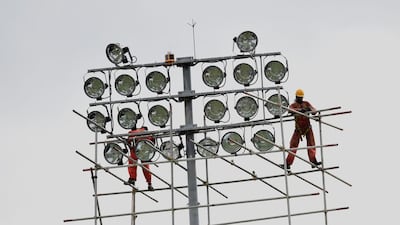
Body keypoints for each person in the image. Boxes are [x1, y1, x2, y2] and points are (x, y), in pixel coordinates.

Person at [281, 89, 321, 171]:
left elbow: (314, 111)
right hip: (298, 128)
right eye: (299, 98)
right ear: (296, 97)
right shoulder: (294, 105)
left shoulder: (306, 103)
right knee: (293, 145)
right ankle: (287, 163)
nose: (300, 99)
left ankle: (313, 161)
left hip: (307, 128)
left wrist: (309, 109)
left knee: (311, 144)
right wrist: (299, 111)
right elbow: (290, 110)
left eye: (301, 98)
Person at [125, 126, 155, 191]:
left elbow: (129, 141)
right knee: (146, 167)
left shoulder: (132, 132)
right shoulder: (147, 133)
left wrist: (129, 144)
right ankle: (149, 183)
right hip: (144, 150)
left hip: (135, 149)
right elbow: (153, 141)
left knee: (132, 163)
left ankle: (132, 178)